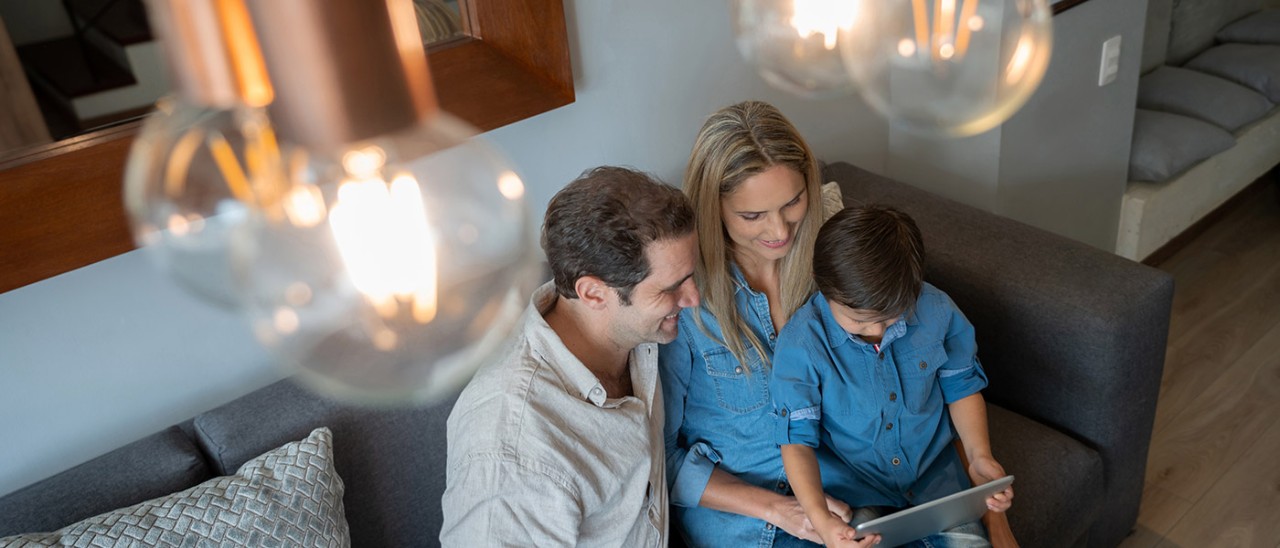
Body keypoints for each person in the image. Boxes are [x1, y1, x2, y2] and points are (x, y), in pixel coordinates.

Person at [441, 166, 700, 546]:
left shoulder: (634, 331)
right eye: (671, 289)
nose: (694, 299)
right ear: (593, 293)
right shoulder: (511, 449)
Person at [659, 100, 865, 547]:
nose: (780, 229)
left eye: (792, 202)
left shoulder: (829, 264)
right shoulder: (687, 303)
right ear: (713, 208)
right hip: (758, 527)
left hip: (847, 497)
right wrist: (785, 511)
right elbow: (659, 459)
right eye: (752, 216)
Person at [773, 205, 1014, 547]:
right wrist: (819, 518)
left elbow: (961, 387)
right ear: (825, 291)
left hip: (936, 477)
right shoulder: (801, 344)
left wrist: (979, 457)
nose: (875, 331)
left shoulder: (938, 310)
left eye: (888, 319)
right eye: (857, 320)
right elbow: (796, 441)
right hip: (854, 489)